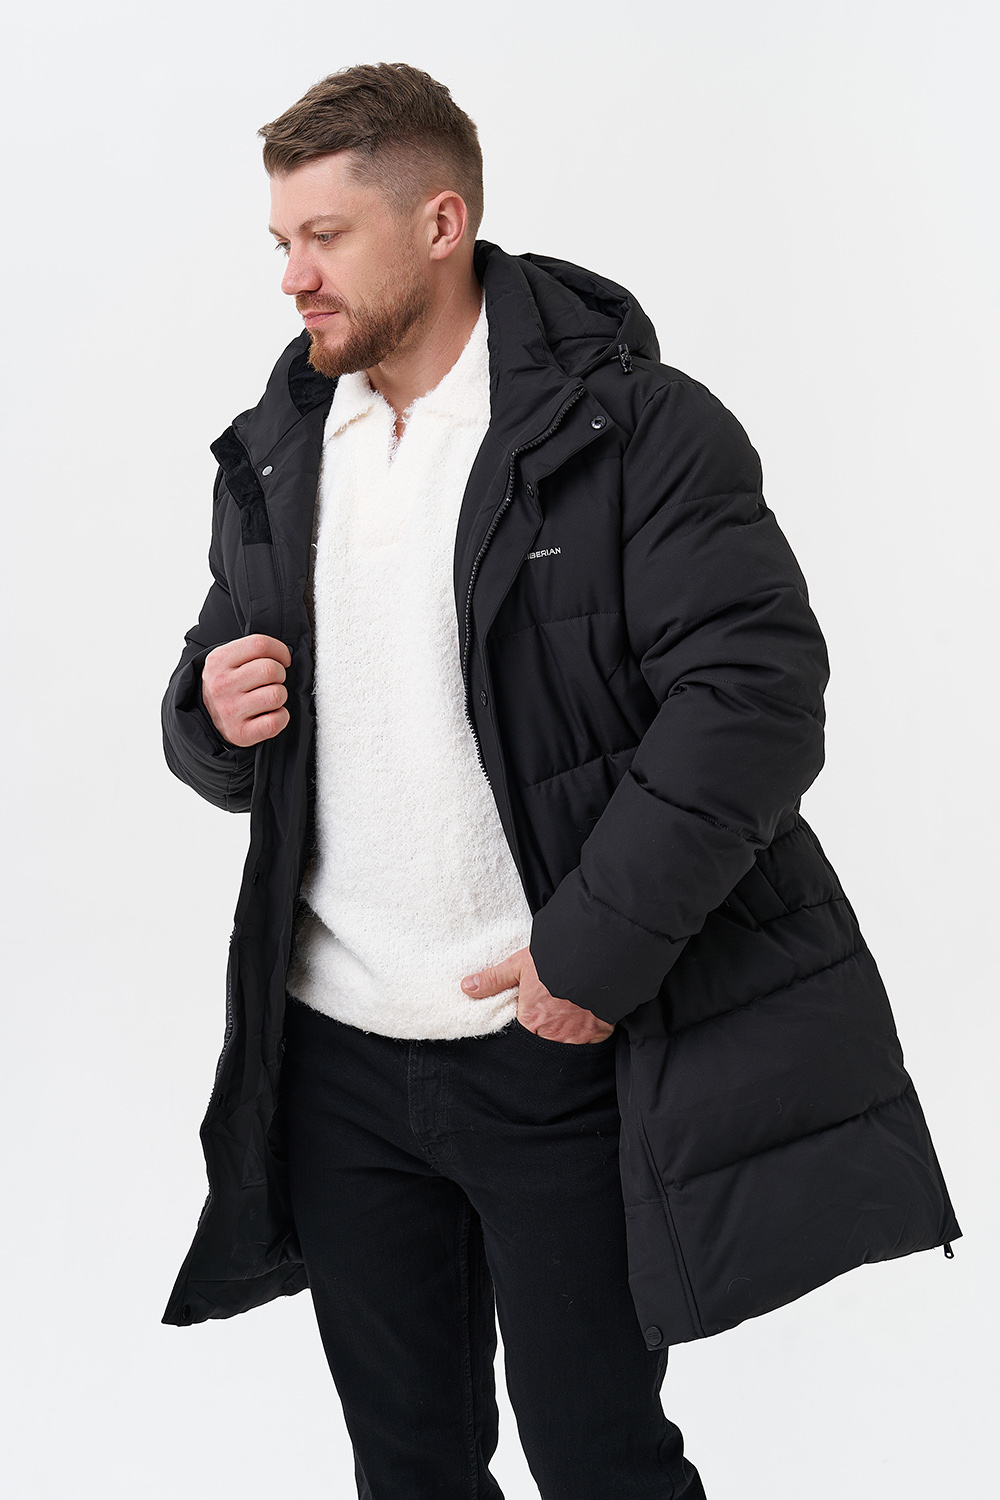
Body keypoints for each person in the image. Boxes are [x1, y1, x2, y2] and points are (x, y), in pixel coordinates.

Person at [161, 62, 960, 1500]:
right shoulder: (282, 444)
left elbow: (754, 701)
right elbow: (219, 695)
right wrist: (213, 715)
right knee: (407, 1462)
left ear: (441, 222)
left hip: (548, 1043)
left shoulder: (638, 430)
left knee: (598, 1457)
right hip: (336, 1054)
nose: (292, 278)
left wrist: (591, 960)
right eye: (280, 241)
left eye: (325, 237)